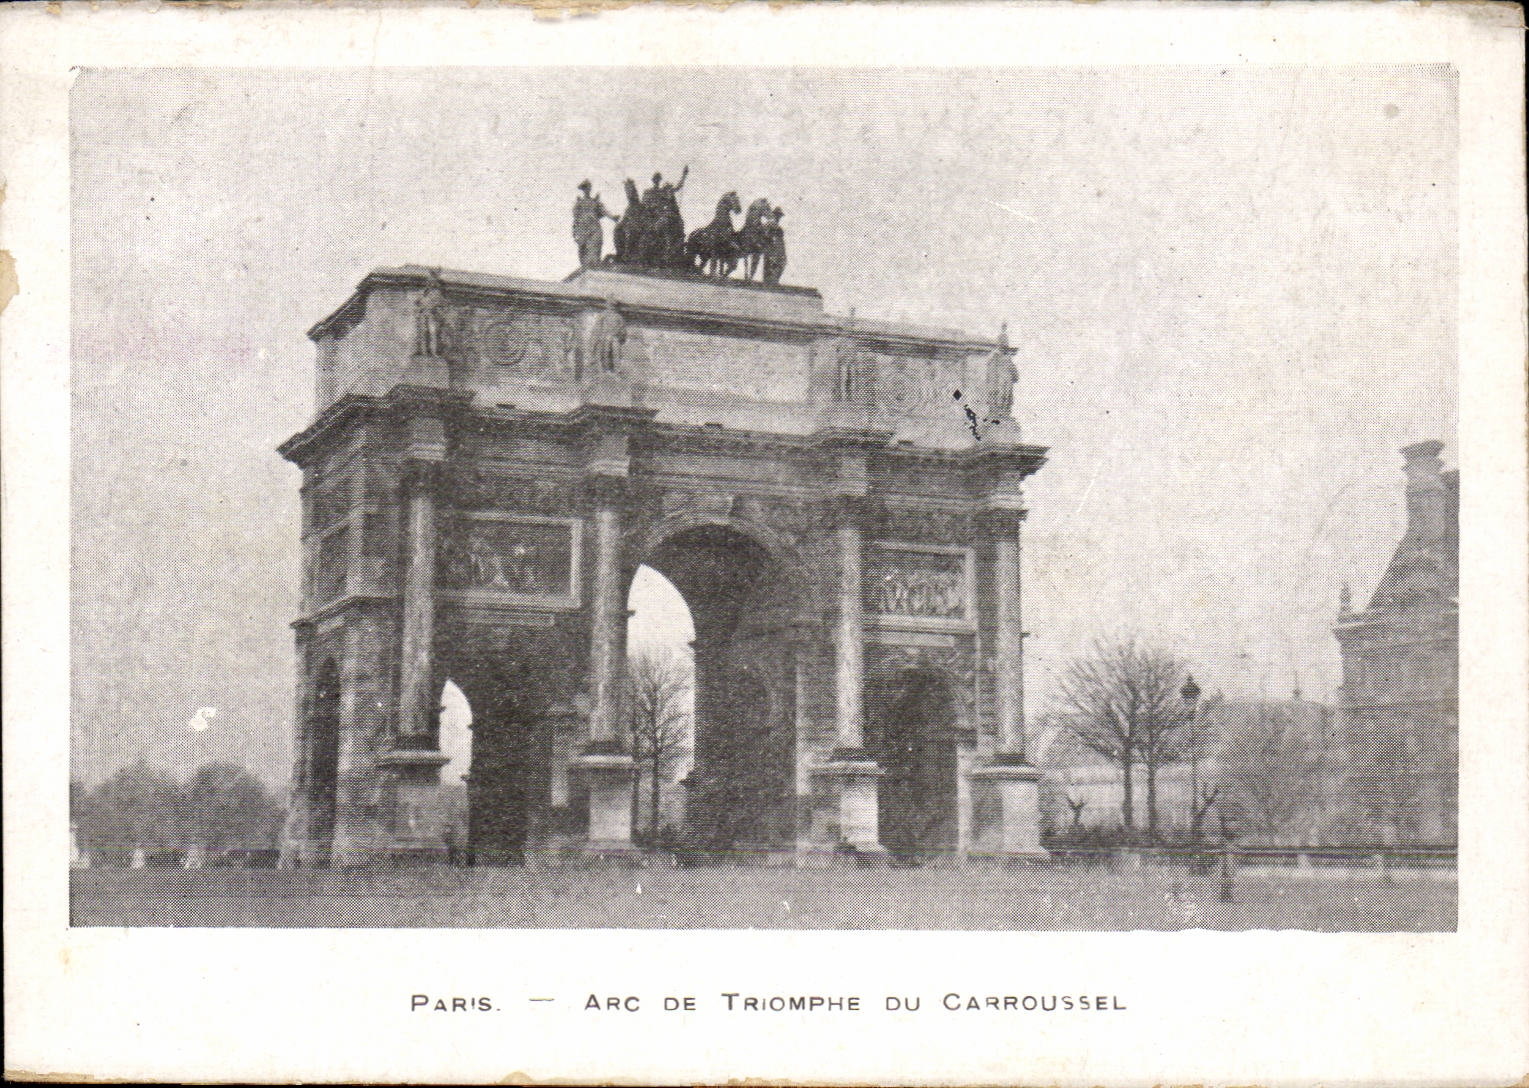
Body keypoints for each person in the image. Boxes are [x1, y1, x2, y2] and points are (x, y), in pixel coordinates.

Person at [572, 180, 617, 269]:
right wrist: (575, 233)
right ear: (583, 189)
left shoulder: (595, 202)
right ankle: (586, 267)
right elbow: (576, 219)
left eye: (589, 187)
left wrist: (613, 217)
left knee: (595, 247)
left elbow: (604, 211)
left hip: (594, 227)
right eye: (585, 187)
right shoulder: (579, 203)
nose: (587, 189)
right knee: (584, 251)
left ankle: (594, 266)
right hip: (583, 229)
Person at [763, 206, 787, 286]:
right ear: (774, 215)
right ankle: (770, 281)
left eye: (779, 216)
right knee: (772, 265)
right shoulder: (769, 224)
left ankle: (774, 281)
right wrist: (770, 241)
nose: (778, 217)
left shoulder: (777, 226)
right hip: (771, 248)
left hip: (779, 248)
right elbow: (765, 235)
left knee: (781, 263)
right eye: (777, 215)